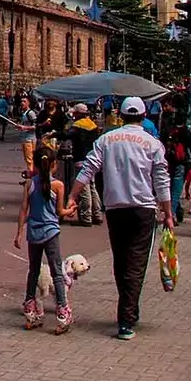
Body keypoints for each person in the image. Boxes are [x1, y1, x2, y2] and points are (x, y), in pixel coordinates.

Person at [68, 96, 172, 341]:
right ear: (144, 116)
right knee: (136, 264)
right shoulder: (153, 143)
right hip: (143, 209)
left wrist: (72, 196)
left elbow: (88, 169)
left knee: (122, 261)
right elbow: (161, 180)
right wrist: (168, 212)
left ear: (121, 117)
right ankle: (126, 319)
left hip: (115, 209)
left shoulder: (106, 140)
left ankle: (129, 311)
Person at [14, 143, 77, 334]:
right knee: (57, 273)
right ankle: (62, 312)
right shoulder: (58, 185)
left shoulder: (30, 184)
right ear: (53, 165)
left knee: (33, 271)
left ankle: (30, 310)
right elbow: (60, 213)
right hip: (51, 233)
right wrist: (71, 210)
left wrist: (19, 232)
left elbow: (24, 209)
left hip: (33, 233)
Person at [64, 104, 103, 226]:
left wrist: (54, 134)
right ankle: (97, 215)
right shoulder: (93, 125)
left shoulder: (78, 126)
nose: (73, 115)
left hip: (81, 159)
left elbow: (66, 135)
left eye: (75, 113)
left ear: (79, 114)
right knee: (92, 187)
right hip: (92, 159)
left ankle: (86, 218)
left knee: (83, 189)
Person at [161, 115, 191, 224]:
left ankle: (177, 210)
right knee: (176, 192)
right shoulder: (187, 133)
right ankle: (171, 214)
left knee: (169, 190)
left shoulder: (167, 131)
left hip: (167, 164)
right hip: (180, 164)